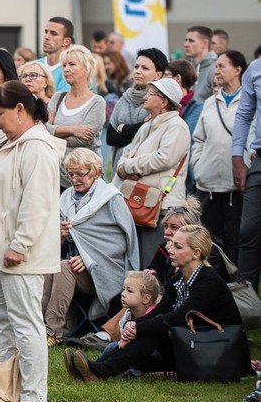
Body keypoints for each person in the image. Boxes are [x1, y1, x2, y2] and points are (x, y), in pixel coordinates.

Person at [0, 81, 64, 402]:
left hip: (20, 254)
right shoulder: (5, 143)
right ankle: (9, 388)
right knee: (5, 321)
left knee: (26, 322)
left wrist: (20, 245)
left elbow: (38, 203)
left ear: (21, 110)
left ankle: (35, 395)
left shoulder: (37, 148)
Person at [64, 225, 248, 381]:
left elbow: (179, 317)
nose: (170, 250)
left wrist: (139, 328)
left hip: (220, 354)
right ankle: (93, 369)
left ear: (196, 253)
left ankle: (98, 371)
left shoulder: (209, 282)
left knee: (156, 331)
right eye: (172, 244)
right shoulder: (178, 279)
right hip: (194, 347)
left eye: (178, 247)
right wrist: (132, 324)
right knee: (144, 345)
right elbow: (160, 311)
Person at [43, 149, 138, 346]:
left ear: (95, 172)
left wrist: (88, 259)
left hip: (106, 269)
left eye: (79, 174)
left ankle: (51, 332)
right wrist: (60, 236)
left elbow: (123, 242)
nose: (73, 179)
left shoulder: (111, 198)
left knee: (64, 268)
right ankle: (35, 327)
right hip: (73, 265)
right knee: (48, 268)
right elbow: (55, 242)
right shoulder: (65, 197)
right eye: (70, 174)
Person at [113, 77, 190, 268]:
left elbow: (164, 158)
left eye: (151, 94)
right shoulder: (147, 125)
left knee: (153, 261)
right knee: (136, 259)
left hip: (161, 205)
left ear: (164, 102)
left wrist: (128, 167)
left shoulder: (177, 126)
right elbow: (127, 153)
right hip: (137, 201)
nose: (145, 97)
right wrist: (124, 166)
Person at [193, 51, 248, 259]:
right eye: (215, 66)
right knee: (206, 242)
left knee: (236, 241)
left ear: (237, 70)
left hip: (237, 186)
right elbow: (198, 139)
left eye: (222, 66)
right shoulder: (210, 102)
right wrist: (198, 166)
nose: (216, 71)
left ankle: (237, 279)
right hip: (207, 185)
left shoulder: (249, 101)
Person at [46, 45, 106, 189]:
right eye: (64, 65)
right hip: (57, 175)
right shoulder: (58, 97)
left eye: (72, 64)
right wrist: (73, 129)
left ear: (86, 69)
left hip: (86, 176)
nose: (66, 69)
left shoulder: (97, 102)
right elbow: (44, 130)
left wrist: (54, 133)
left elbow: (83, 139)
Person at [106, 48, 167, 172]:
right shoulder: (124, 99)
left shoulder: (163, 102)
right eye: (136, 67)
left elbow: (155, 133)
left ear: (158, 75)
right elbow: (110, 138)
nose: (138, 71)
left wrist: (125, 129)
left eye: (145, 68)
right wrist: (141, 128)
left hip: (146, 172)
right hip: (119, 171)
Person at [232, 56, 261, 290]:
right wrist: (236, 158)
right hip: (259, 160)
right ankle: (246, 301)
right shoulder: (256, 68)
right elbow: (243, 115)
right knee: (248, 230)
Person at [94, 271, 161, 361]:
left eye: (129, 291)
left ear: (146, 298)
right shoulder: (128, 314)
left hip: (152, 357)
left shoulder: (154, 317)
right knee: (113, 347)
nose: (123, 294)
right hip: (133, 352)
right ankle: (95, 365)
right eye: (123, 289)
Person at [36, 16, 75, 94]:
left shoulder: (70, 70)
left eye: (53, 33)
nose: (46, 37)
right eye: (46, 32)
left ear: (66, 41)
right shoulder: (34, 65)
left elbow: (59, 100)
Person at [183, 25, 217, 105]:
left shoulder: (215, 69)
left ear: (205, 43)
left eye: (191, 41)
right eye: (186, 40)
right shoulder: (189, 67)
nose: (185, 44)